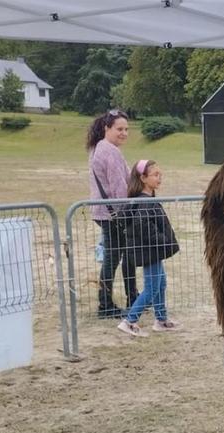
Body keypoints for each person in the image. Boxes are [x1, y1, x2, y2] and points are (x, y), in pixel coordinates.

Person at [117, 159, 181, 338]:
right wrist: (162, 240)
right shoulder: (145, 202)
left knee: (160, 284)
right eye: (155, 175)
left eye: (160, 174)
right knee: (152, 287)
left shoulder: (144, 199)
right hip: (150, 251)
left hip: (152, 250)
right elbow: (142, 226)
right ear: (143, 178)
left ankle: (161, 320)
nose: (160, 178)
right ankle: (129, 321)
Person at [87, 109, 137, 319]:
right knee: (113, 259)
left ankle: (125, 298)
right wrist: (129, 211)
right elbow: (118, 188)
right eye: (119, 129)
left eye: (126, 129)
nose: (124, 133)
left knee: (115, 257)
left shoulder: (100, 148)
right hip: (114, 214)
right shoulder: (111, 152)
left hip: (105, 212)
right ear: (106, 128)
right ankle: (106, 304)